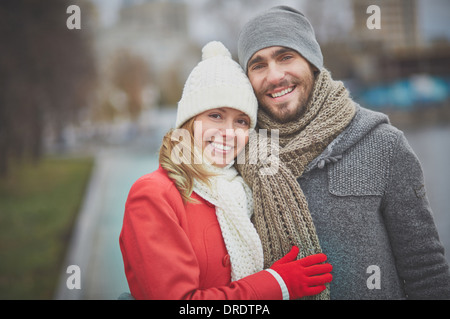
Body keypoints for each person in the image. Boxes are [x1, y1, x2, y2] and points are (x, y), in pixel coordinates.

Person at [235, 6, 450, 300]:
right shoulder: (236, 157)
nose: (274, 76)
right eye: (258, 65)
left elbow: (425, 269)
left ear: (311, 62)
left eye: (286, 57)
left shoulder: (383, 144)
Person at [119, 41, 332, 300]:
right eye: (216, 116)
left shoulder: (246, 188)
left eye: (241, 121)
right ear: (190, 121)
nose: (229, 133)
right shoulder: (154, 194)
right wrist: (275, 284)